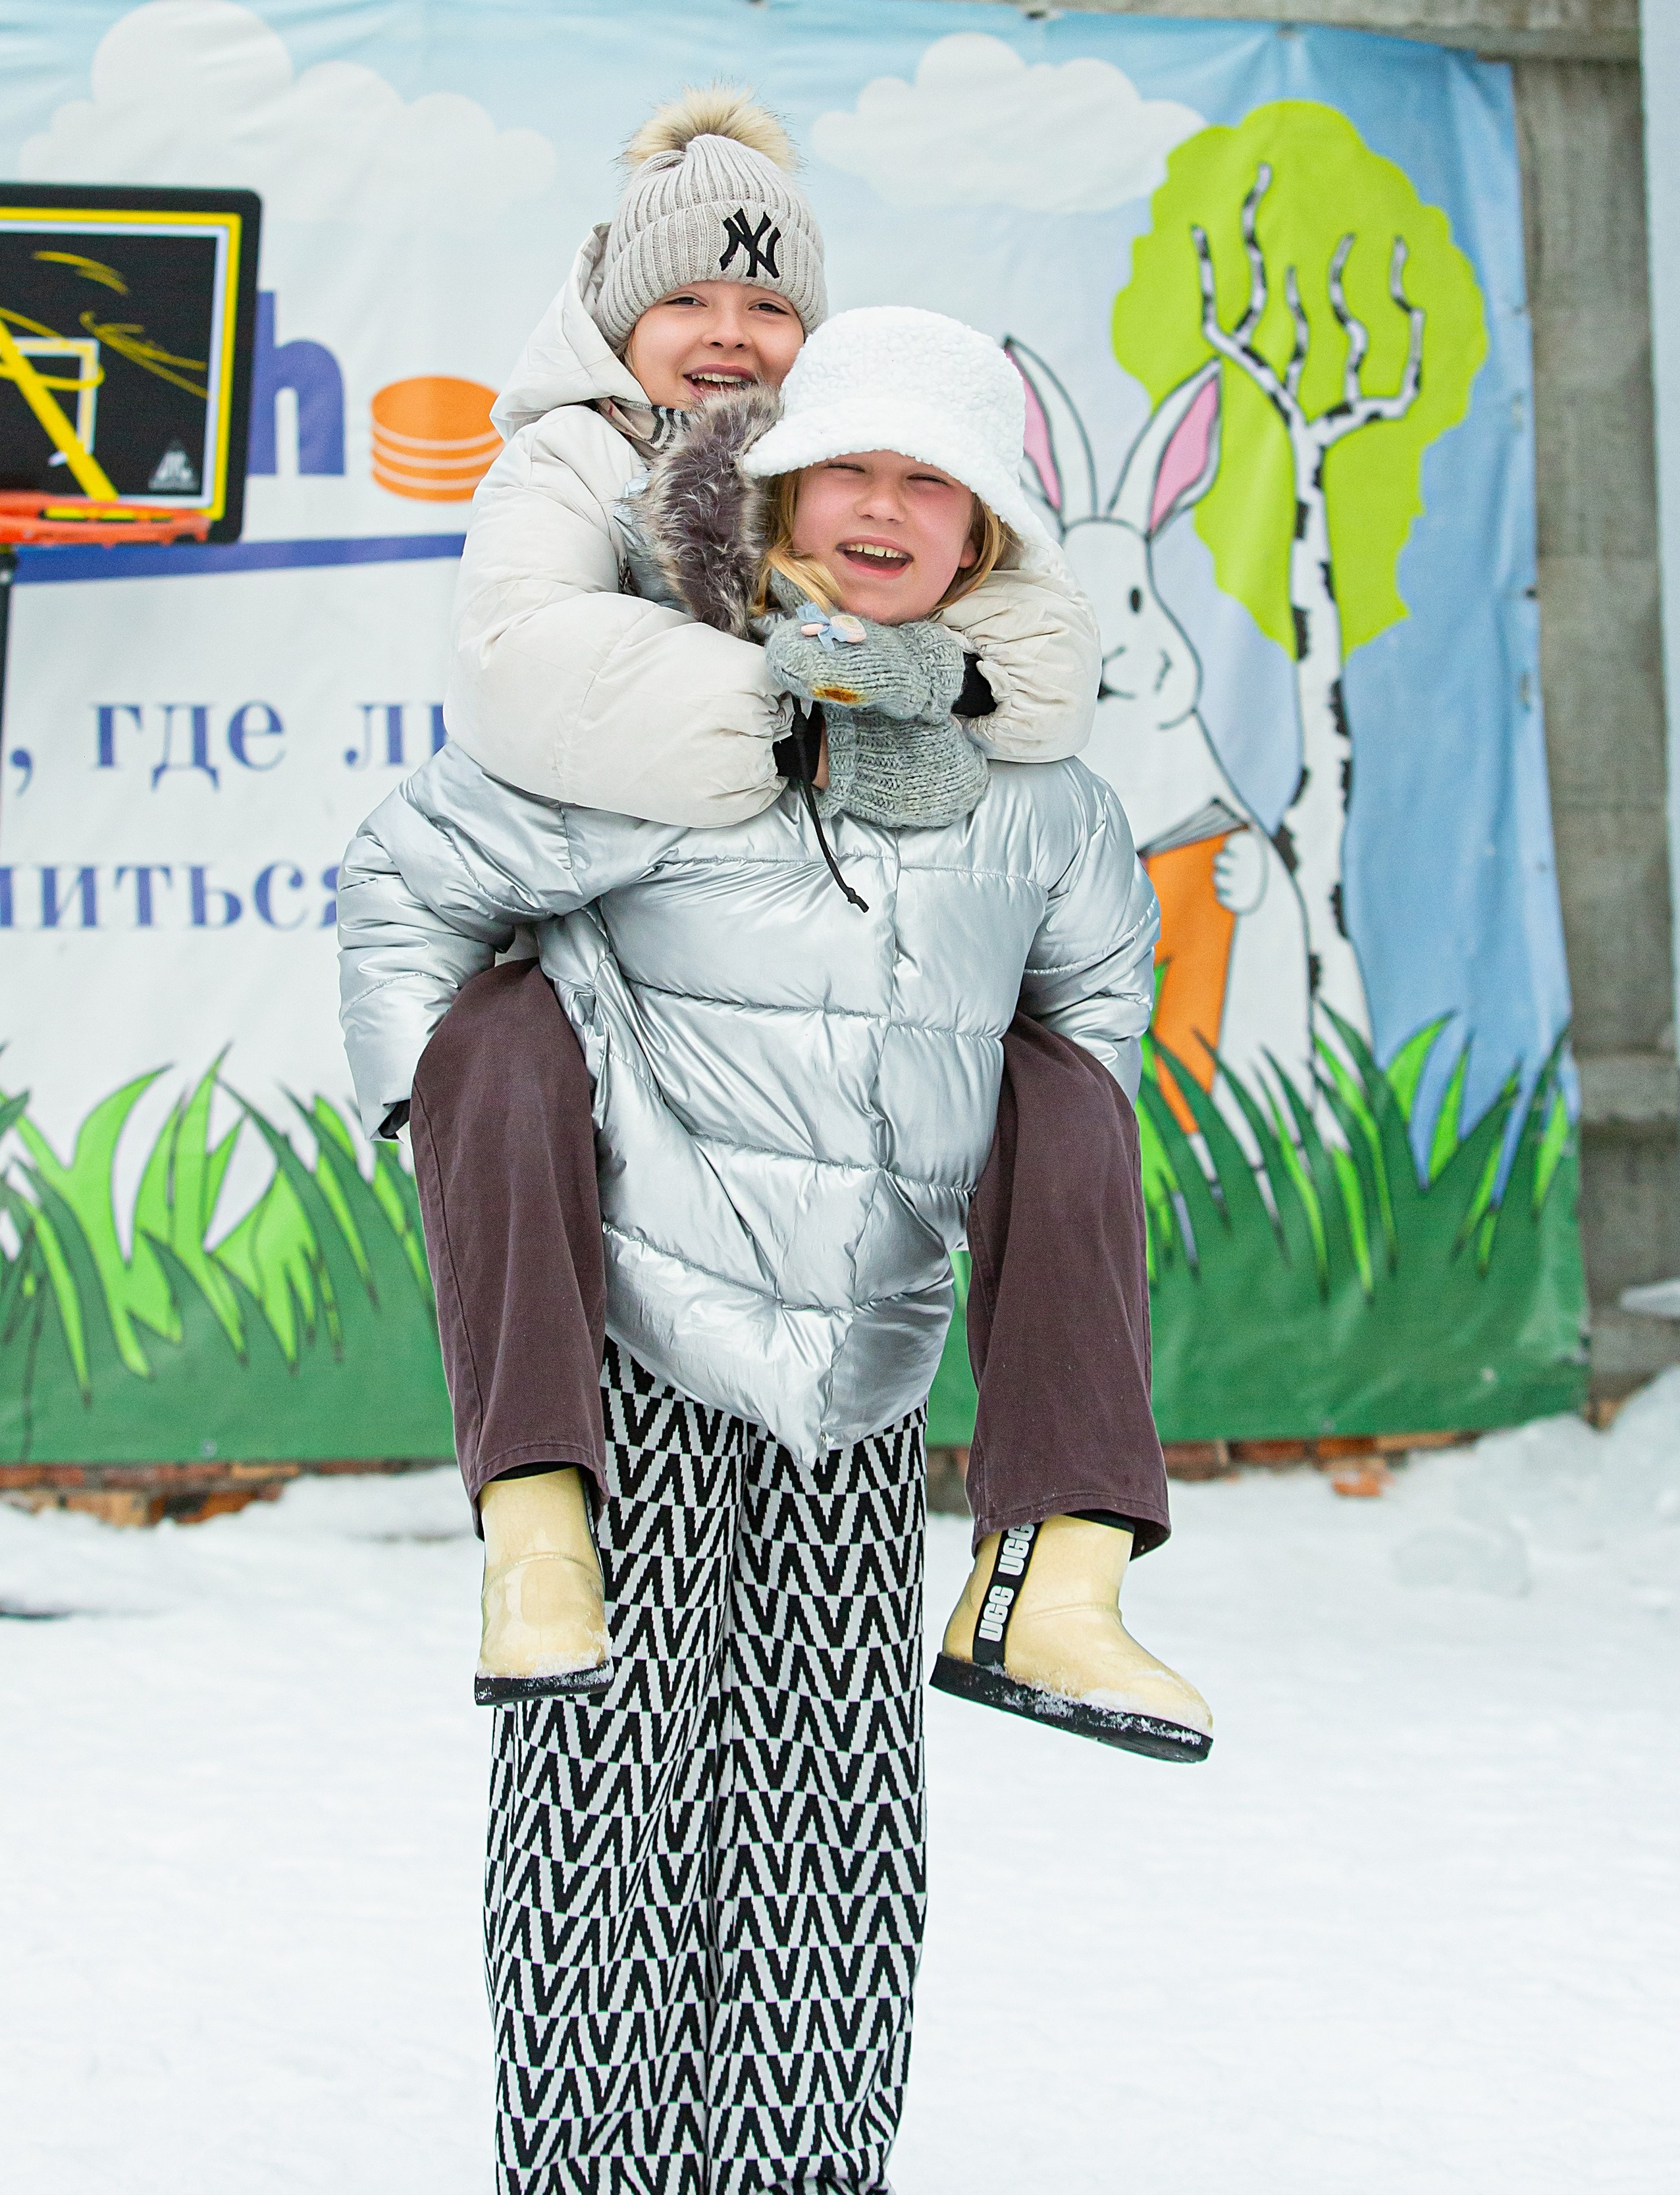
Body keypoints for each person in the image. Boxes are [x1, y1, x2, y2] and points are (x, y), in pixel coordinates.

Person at [340, 308, 1211, 2195]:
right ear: (786, 495)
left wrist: (1003, 1170)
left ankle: (813, 2171)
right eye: (856, 474)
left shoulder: (1039, 801)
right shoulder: (662, 732)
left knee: (833, 1767)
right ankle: (594, 2190)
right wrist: (469, 1128)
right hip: (639, 1317)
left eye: (937, 485)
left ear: (988, 534)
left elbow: (1085, 1026)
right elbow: (407, 890)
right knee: (614, 1761)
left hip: (857, 1345)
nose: (891, 512)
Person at [359, 83, 1214, 1752]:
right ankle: (535, 1527)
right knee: (606, 1766)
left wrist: (912, 699)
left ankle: (1061, 1573)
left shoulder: (980, 704)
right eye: (688, 299)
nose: (729, 336)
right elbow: (513, 700)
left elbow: (1043, 719)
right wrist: (791, 708)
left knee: (826, 1781)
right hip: (639, 1187)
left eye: (767, 306)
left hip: (856, 1270)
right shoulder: (567, 467)